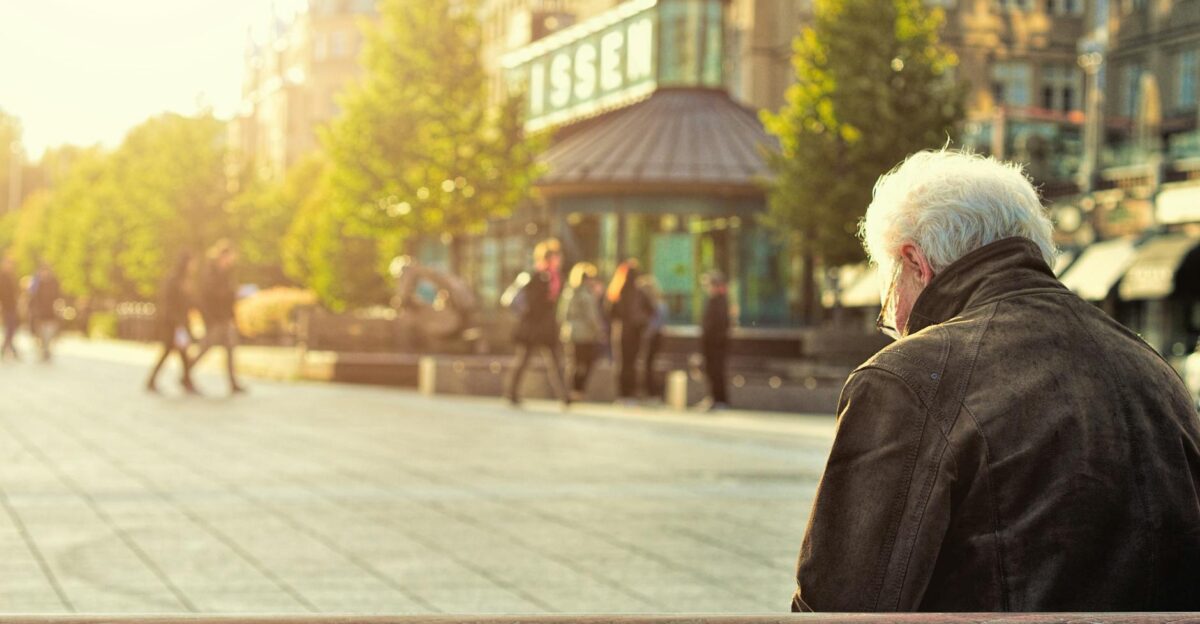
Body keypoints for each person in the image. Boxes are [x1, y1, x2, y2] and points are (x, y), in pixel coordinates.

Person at [793, 150, 1200, 612]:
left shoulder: (908, 379)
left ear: (915, 263)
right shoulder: (1153, 370)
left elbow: (839, 608)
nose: (895, 321)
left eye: (888, 297)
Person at [503, 239, 569, 406]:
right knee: (524, 359)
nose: (559, 260)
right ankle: (511, 393)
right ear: (549, 258)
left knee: (555, 361)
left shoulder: (555, 277)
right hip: (534, 326)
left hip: (546, 326)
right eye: (556, 257)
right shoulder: (537, 276)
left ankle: (564, 396)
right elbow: (533, 302)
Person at [191, 240, 245, 394]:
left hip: (225, 318)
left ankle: (233, 383)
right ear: (223, 256)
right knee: (205, 348)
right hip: (214, 319)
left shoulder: (227, 273)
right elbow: (207, 297)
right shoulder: (210, 273)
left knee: (230, 349)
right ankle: (187, 373)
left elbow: (228, 298)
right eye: (230, 257)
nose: (231, 261)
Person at [146, 252, 199, 394]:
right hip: (173, 324)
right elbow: (169, 304)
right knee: (173, 352)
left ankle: (185, 381)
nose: (194, 266)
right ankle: (185, 382)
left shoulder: (185, 280)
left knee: (179, 353)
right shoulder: (174, 280)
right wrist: (177, 323)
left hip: (180, 323)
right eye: (192, 263)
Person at [558, 262, 605, 402]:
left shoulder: (568, 292)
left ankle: (571, 391)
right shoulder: (586, 294)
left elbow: (561, 314)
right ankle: (578, 391)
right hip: (585, 334)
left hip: (570, 332)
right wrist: (600, 330)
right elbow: (592, 316)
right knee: (586, 362)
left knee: (574, 362)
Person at [606, 260, 652, 402]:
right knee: (632, 363)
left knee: (622, 363)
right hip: (635, 332)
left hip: (621, 331)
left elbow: (610, 313)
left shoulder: (617, 291)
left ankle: (622, 393)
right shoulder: (639, 292)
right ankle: (630, 392)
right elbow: (651, 310)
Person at [699, 271, 730, 410]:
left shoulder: (720, 302)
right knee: (711, 371)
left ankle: (719, 399)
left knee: (716, 371)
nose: (707, 288)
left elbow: (719, 324)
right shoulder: (714, 301)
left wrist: (715, 339)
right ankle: (714, 398)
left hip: (716, 344)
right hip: (711, 343)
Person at [639, 274, 667, 401]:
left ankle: (652, 392)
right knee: (648, 364)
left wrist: (646, 334)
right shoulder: (659, 303)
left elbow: (655, 323)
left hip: (653, 337)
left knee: (649, 364)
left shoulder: (656, 305)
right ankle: (650, 392)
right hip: (655, 336)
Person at [27, 263, 60, 362]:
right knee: (40, 333)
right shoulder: (36, 284)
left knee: (49, 333)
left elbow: (58, 296)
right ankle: (43, 349)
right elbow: (32, 298)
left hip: (50, 312)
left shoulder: (54, 283)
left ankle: (47, 349)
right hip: (39, 313)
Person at [0, 257, 19, 361]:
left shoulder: (12, 276)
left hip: (12, 306)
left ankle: (8, 348)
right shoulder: (2, 277)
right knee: (9, 329)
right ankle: (8, 349)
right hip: (6, 307)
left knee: (11, 329)